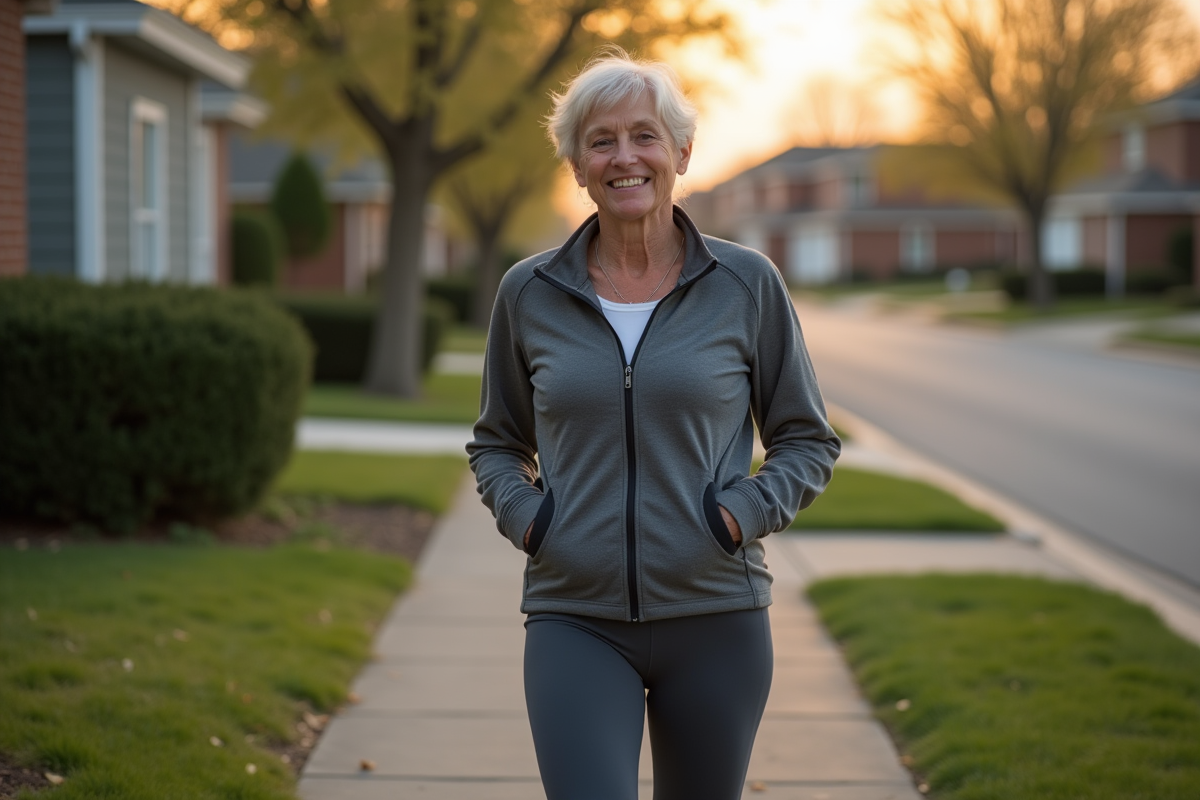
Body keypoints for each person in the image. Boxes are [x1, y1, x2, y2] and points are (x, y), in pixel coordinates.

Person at [466, 48, 841, 800]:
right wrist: (534, 524)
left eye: (644, 136)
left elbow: (808, 440)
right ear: (575, 163)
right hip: (577, 617)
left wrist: (737, 516)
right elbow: (498, 444)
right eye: (601, 140)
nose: (624, 156)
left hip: (717, 616)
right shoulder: (529, 293)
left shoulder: (745, 284)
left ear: (681, 153)